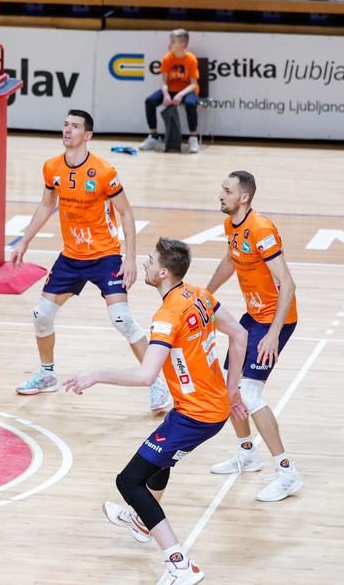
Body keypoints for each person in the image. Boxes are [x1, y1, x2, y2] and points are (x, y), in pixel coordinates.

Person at [64, 238, 249, 585]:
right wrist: (232, 388)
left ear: (163, 272)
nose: (144, 264)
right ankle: (140, 521)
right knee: (160, 461)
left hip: (197, 416)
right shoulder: (199, 295)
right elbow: (239, 335)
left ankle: (180, 564)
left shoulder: (166, 317)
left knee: (129, 481)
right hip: (202, 408)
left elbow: (146, 375)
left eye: (149, 261)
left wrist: (95, 375)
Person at [10, 110, 172, 414]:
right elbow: (47, 205)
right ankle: (47, 374)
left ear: (88, 136)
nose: (68, 130)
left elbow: (126, 212)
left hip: (105, 255)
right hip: (71, 256)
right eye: (66, 125)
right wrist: (24, 240)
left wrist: (131, 258)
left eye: (75, 127)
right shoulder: (52, 168)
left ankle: (157, 385)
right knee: (41, 315)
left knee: (122, 319)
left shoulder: (104, 172)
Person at [205, 171, 303, 502]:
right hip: (254, 317)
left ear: (243, 197)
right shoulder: (232, 225)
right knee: (227, 385)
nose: (220, 194)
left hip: (276, 320)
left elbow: (287, 284)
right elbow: (231, 260)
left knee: (249, 392)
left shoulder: (261, 229)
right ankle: (248, 454)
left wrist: (273, 334)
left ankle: (287, 473)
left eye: (227, 190)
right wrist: (205, 295)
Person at [140, 29, 201, 155]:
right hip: (170, 90)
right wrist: (166, 95)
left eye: (173, 42)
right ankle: (154, 136)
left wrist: (180, 95)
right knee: (150, 101)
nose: (169, 44)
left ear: (182, 44)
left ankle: (193, 138)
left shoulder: (191, 59)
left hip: (186, 91)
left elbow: (193, 84)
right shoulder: (167, 58)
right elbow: (164, 82)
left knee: (190, 103)